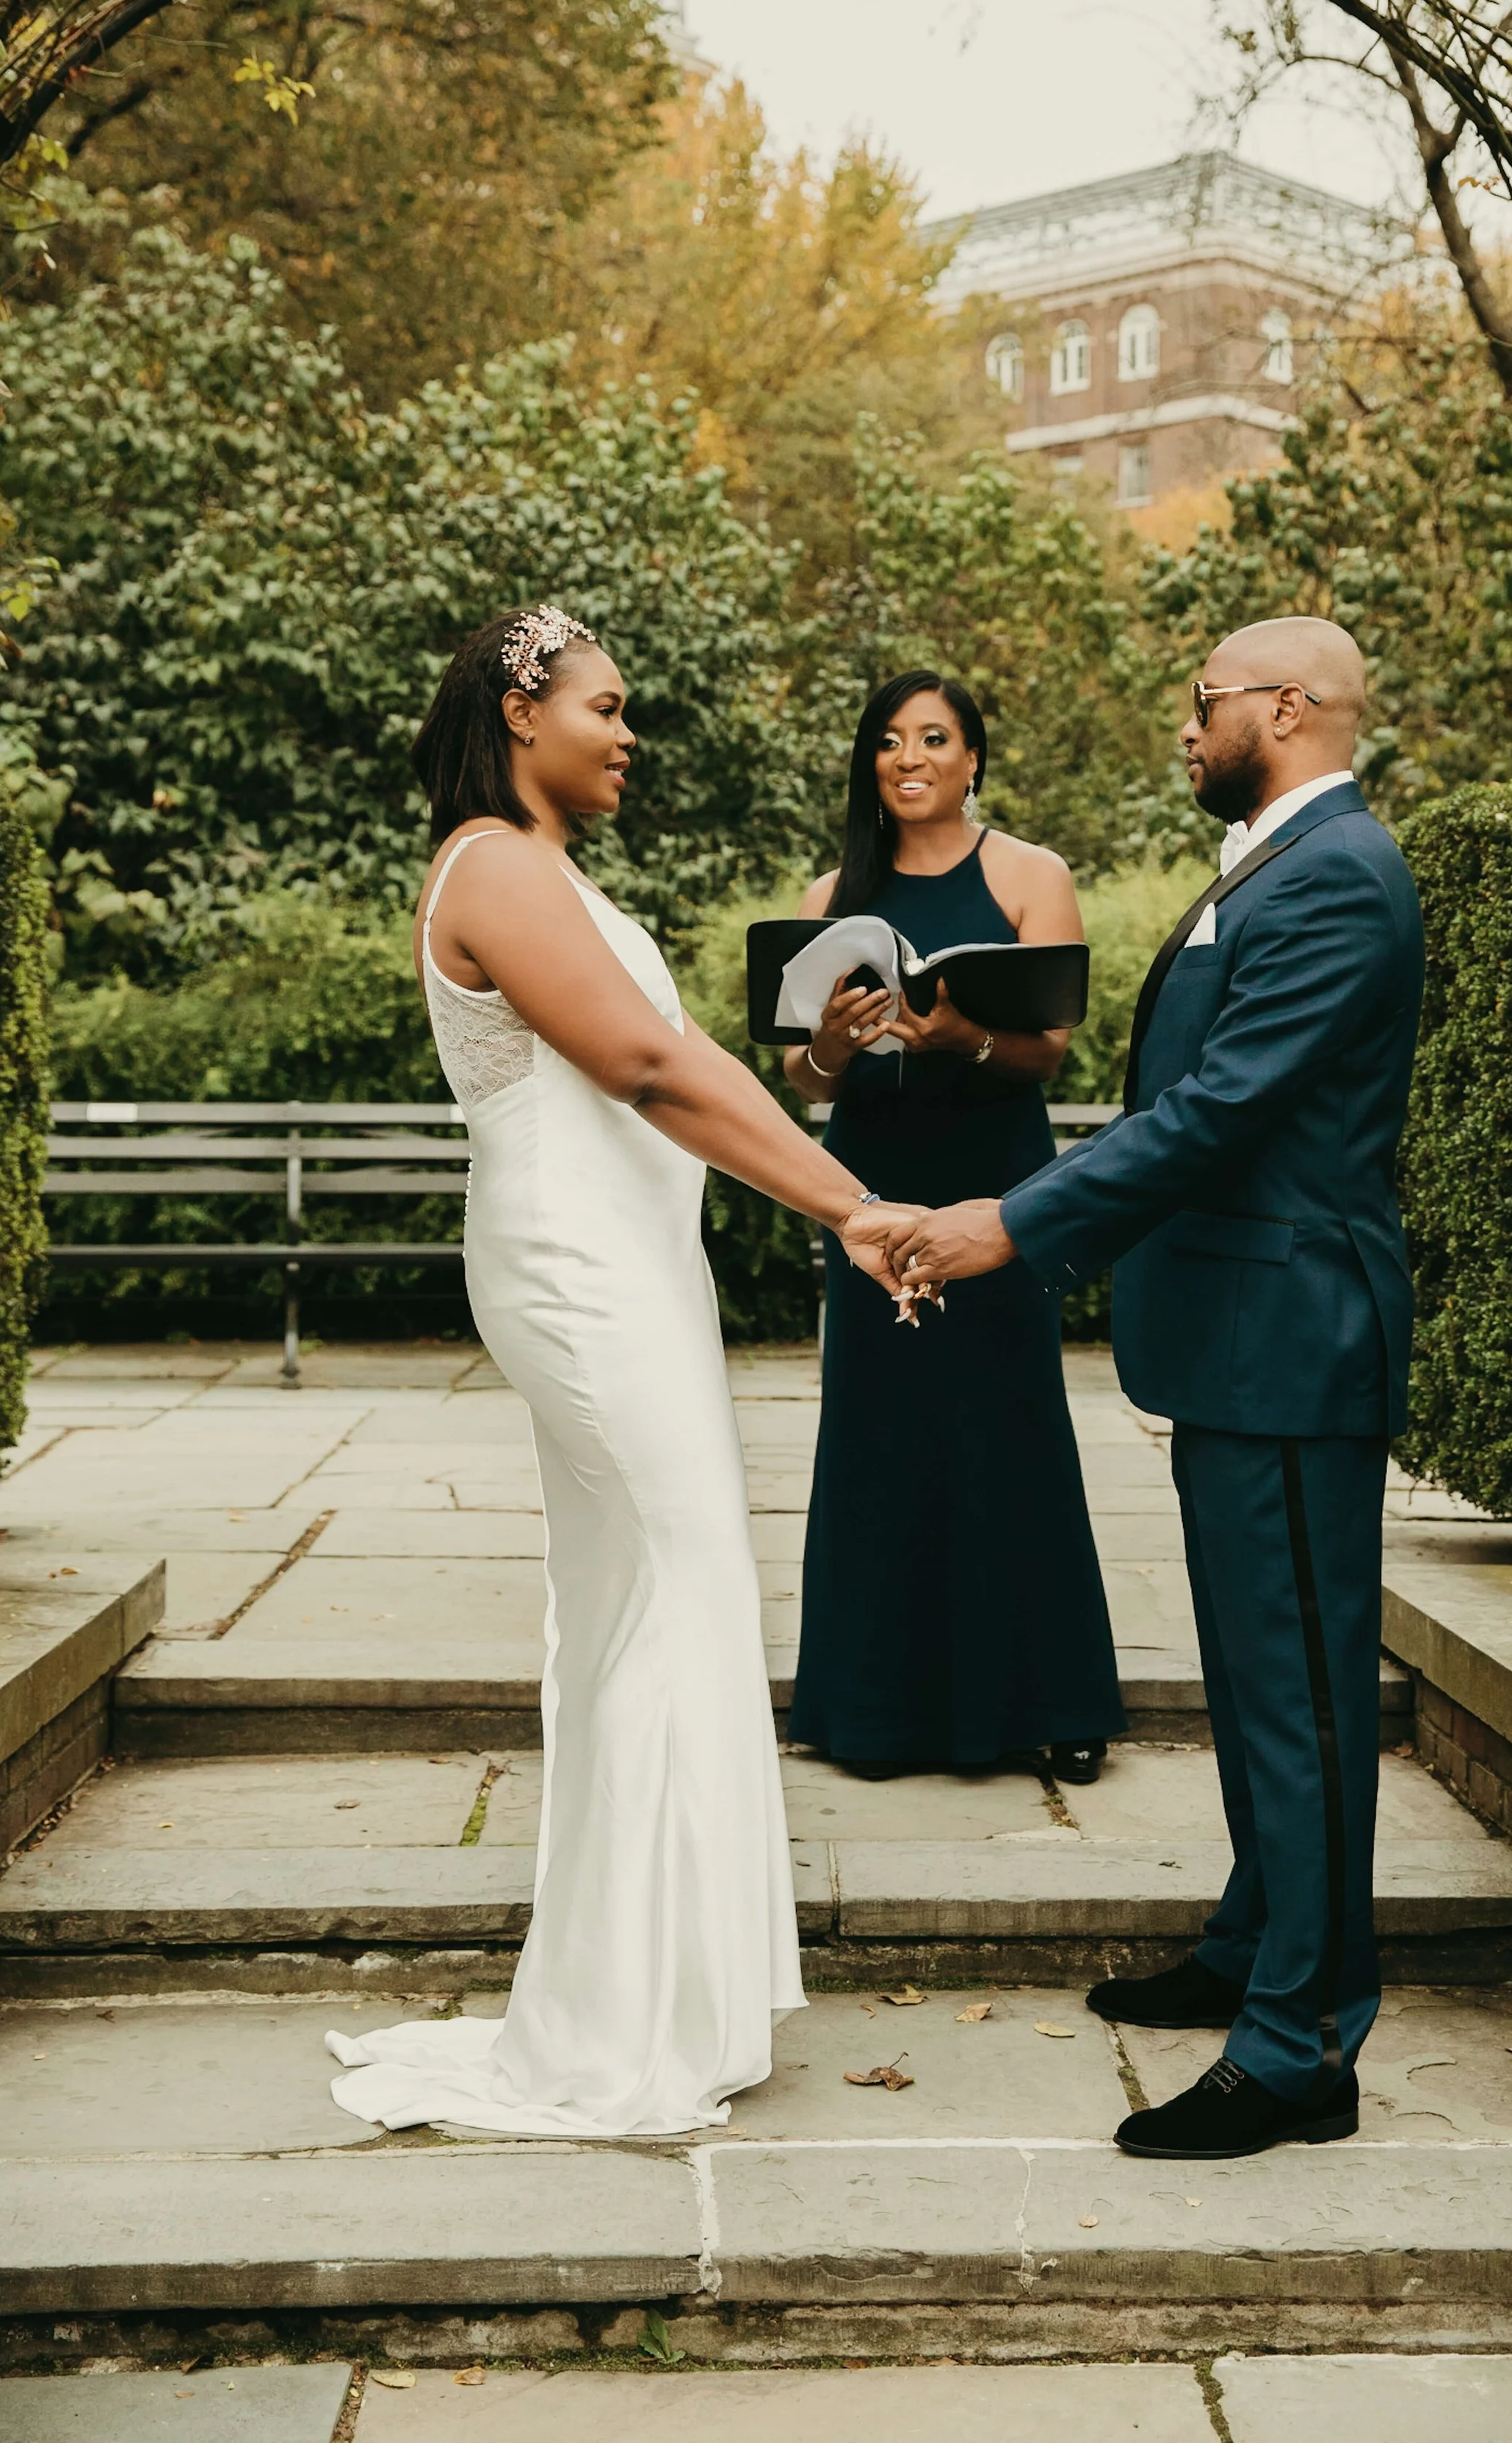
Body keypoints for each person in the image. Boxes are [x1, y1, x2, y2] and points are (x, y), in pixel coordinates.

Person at [325, 607, 916, 2140]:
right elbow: (648, 1072)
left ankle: (654, 1995)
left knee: (656, 1603)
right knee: (665, 1590)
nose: (627, 730)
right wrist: (852, 1208)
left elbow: (684, 1072)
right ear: (521, 708)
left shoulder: (546, 870)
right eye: (606, 703)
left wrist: (815, 1101)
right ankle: (618, 2021)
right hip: (578, 1272)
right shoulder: (495, 864)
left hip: (631, 1266)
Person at [883, 617, 1424, 2164]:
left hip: (1293, 1345)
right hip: (1237, 1343)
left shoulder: (1334, 873)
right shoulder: (1277, 856)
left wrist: (1009, 1221)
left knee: (1303, 1705)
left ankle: (1302, 2046)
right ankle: (1256, 1945)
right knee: (1262, 1691)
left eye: (1199, 705)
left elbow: (1217, 1112)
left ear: (1284, 706)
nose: (1183, 730)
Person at [782, 671, 1124, 1783]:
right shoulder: (834, 890)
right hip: (874, 1191)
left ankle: (1045, 1703)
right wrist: (835, 1039)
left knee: (1008, 1427)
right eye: (888, 740)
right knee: (879, 1437)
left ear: (974, 757)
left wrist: (960, 1038)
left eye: (934, 737)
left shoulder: (1032, 875)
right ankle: (871, 1714)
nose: (908, 755)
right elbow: (803, 1080)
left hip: (996, 1189)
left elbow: (1052, 1048)